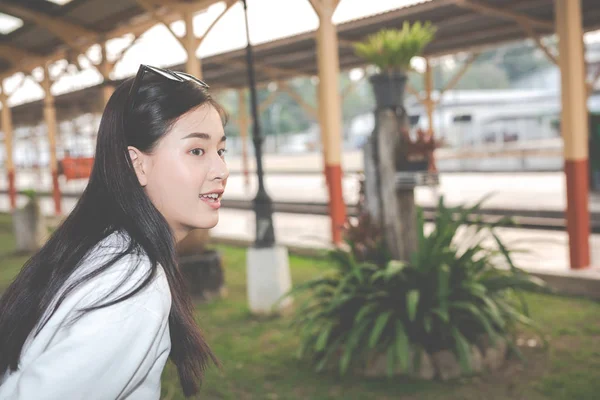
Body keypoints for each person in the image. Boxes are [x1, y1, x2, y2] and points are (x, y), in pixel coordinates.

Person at [0, 64, 229, 399]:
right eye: (197, 151)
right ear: (138, 164)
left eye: (221, 150)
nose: (221, 170)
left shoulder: (106, 245)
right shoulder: (135, 289)